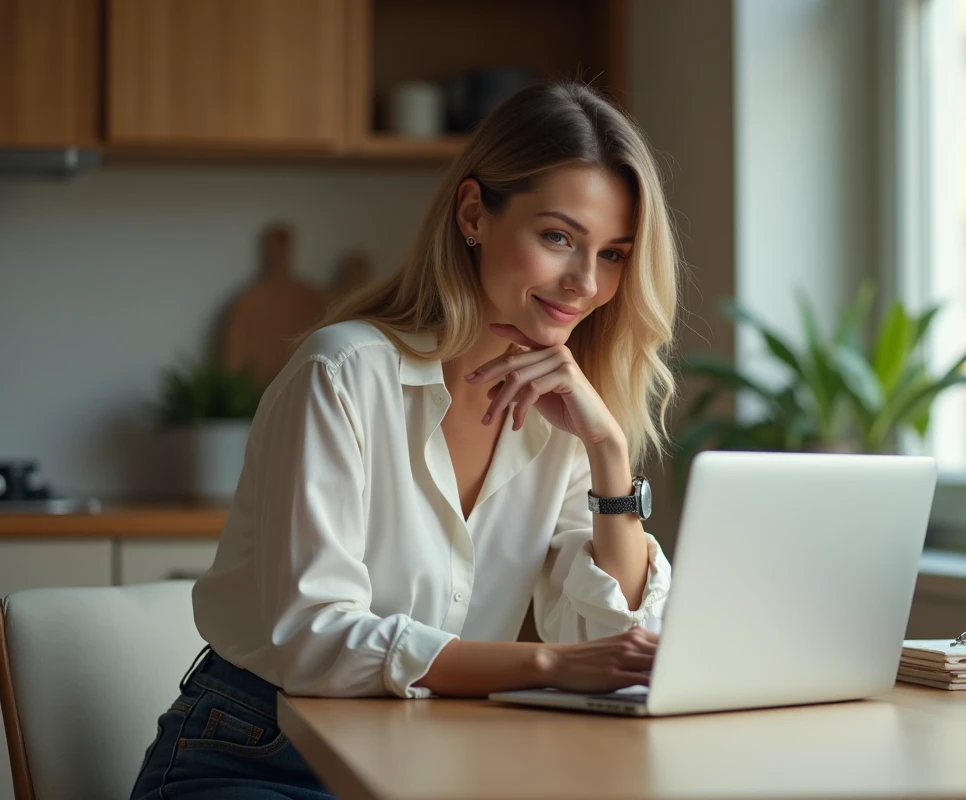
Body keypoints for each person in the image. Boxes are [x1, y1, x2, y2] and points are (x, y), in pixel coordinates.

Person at [130, 81, 681, 799]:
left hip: (430, 757)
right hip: (258, 755)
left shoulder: (568, 418)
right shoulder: (342, 374)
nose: (585, 282)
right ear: (473, 213)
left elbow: (609, 640)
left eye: (613, 255)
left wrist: (608, 452)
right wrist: (545, 667)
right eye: (558, 238)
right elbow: (316, 642)